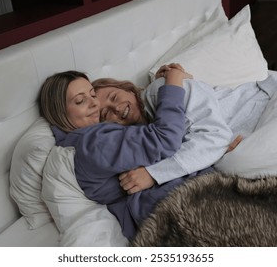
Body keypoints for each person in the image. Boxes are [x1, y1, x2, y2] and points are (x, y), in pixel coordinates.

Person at [39, 67, 200, 238]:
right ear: (61, 114)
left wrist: (154, 88)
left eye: (92, 95)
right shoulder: (95, 143)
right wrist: (174, 81)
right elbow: (165, 138)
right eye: (80, 101)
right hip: (180, 208)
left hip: (176, 205)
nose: (94, 103)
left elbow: (143, 140)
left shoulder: (92, 139)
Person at [93, 64, 277, 194]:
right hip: (261, 128)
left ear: (128, 89)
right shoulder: (144, 136)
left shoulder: (161, 89)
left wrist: (154, 173)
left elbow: (215, 137)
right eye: (105, 114)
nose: (116, 108)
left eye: (114, 97)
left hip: (269, 102)